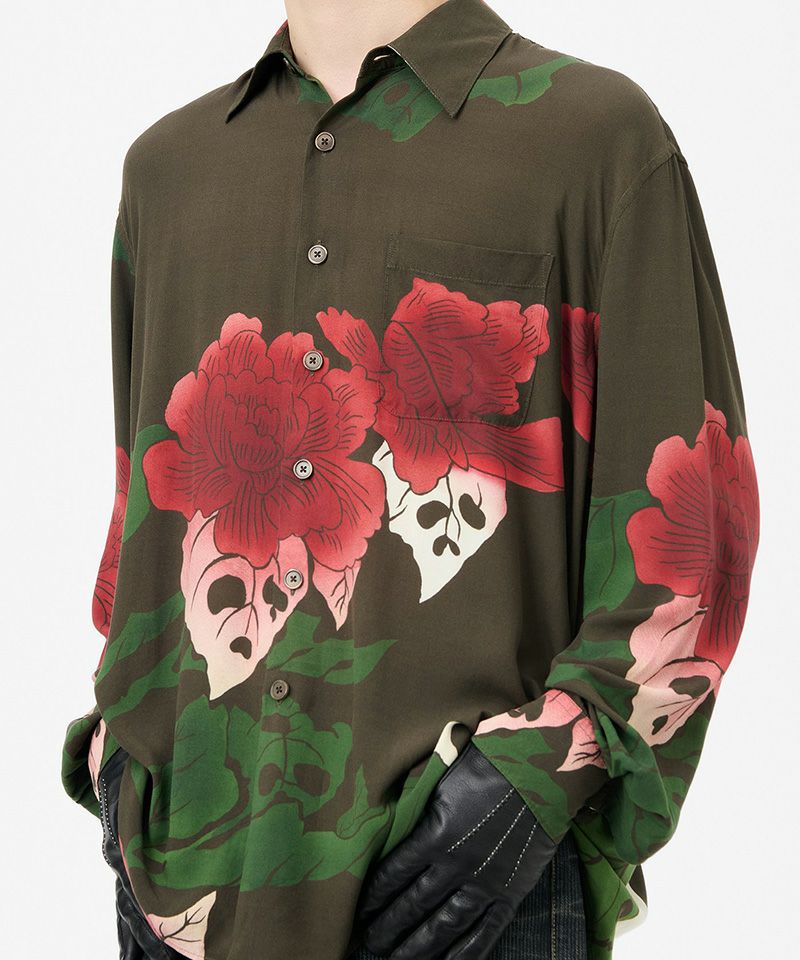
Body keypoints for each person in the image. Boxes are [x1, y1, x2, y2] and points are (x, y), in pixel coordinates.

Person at [60, 1, 761, 958]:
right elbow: (145, 507)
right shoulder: (168, 170)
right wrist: (120, 753)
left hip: (462, 899)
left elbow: (700, 524)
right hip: (179, 885)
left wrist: (528, 781)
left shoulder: (593, 138)